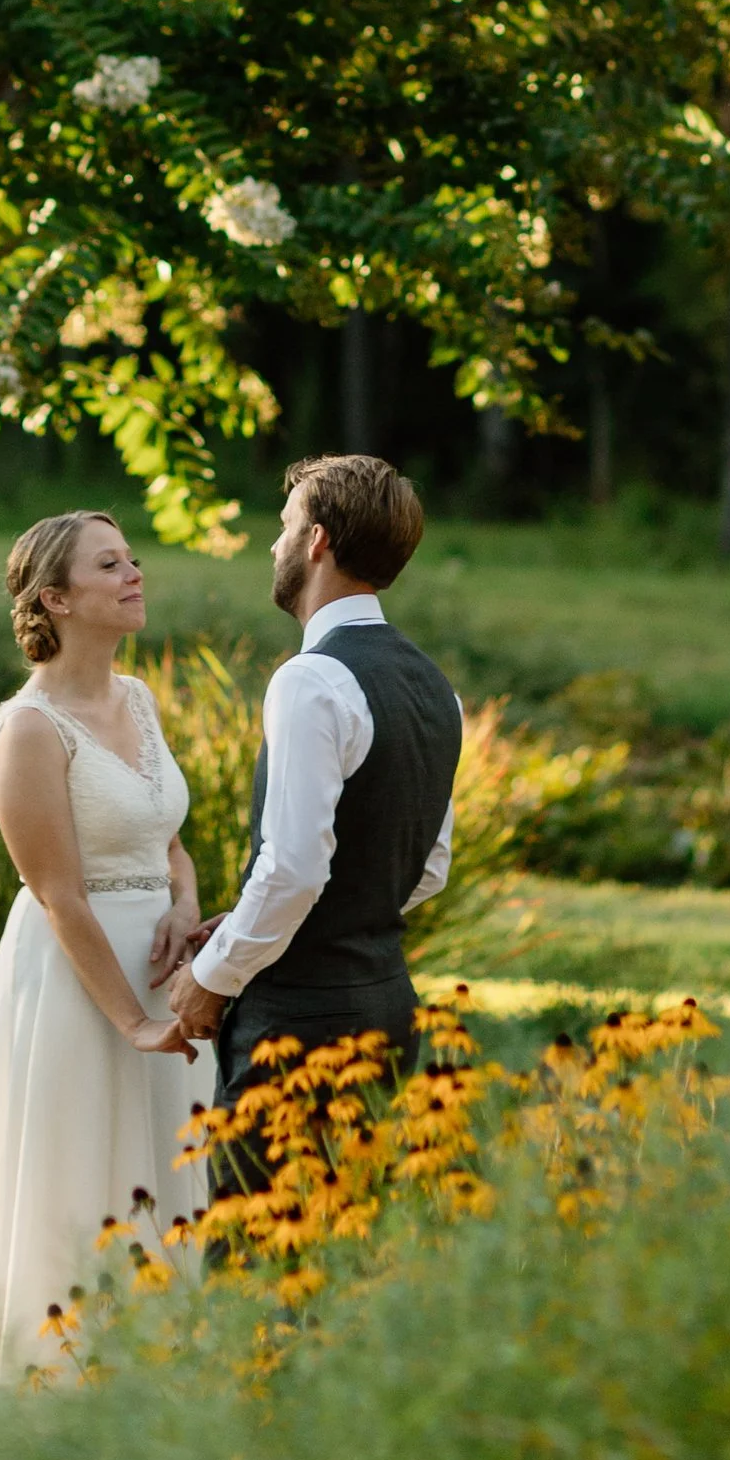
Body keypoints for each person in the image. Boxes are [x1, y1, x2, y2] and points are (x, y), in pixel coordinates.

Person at [0, 510, 211, 1391]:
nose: (135, 572)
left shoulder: (138, 700)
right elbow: (58, 892)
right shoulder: (27, 729)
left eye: (132, 558)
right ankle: (46, 1400)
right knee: (71, 1183)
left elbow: (168, 836)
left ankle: (153, 1393)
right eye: (110, 564)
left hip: (166, 977)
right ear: (55, 599)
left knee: (165, 1182)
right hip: (75, 984)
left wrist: (185, 904)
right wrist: (133, 1021)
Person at [163, 452, 463, 1142]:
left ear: (317, 540)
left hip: (296, 1024)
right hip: (387, 1005)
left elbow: (294, 868)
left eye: (284, 524)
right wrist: (255, 921)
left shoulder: (312, 679)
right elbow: (426, 866)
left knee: (254, 1242)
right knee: (348, 1239)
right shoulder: (434, 687)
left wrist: (216, 972)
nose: (275, 544)